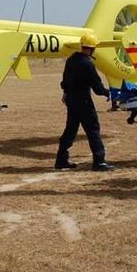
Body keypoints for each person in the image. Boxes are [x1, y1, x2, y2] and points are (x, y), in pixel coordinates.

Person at [55, 33, 114, 171]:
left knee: (70, 130)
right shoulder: (87, 64)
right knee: (93, 130)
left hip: (71, 101)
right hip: (84, 102)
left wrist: (66, 93)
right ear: (93, 48)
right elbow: (97, 88)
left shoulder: (71, 59)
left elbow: (64, 81)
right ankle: (99, 162)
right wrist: (109, 93)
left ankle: (61, 160)